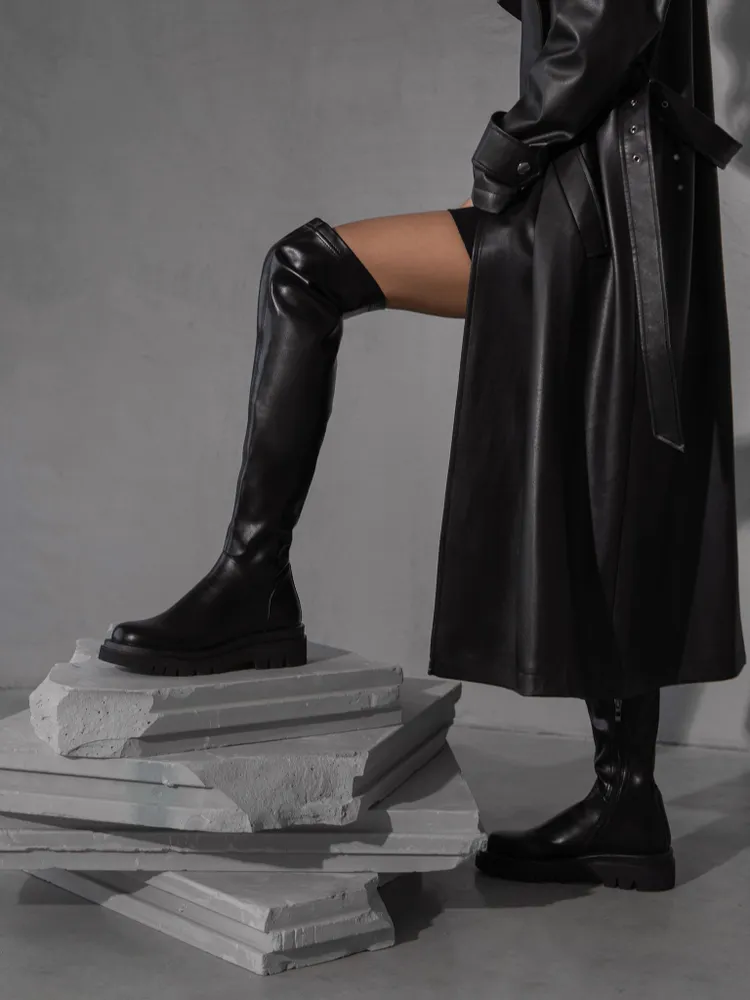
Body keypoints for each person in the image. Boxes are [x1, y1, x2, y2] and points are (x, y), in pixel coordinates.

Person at [98, 1, 745, 892]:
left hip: (585, 215)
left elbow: (606, 20)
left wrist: (506, 150)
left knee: (305, 270)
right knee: (611, 475)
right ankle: (626, 796)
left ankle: (254, 580)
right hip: (614, 217)